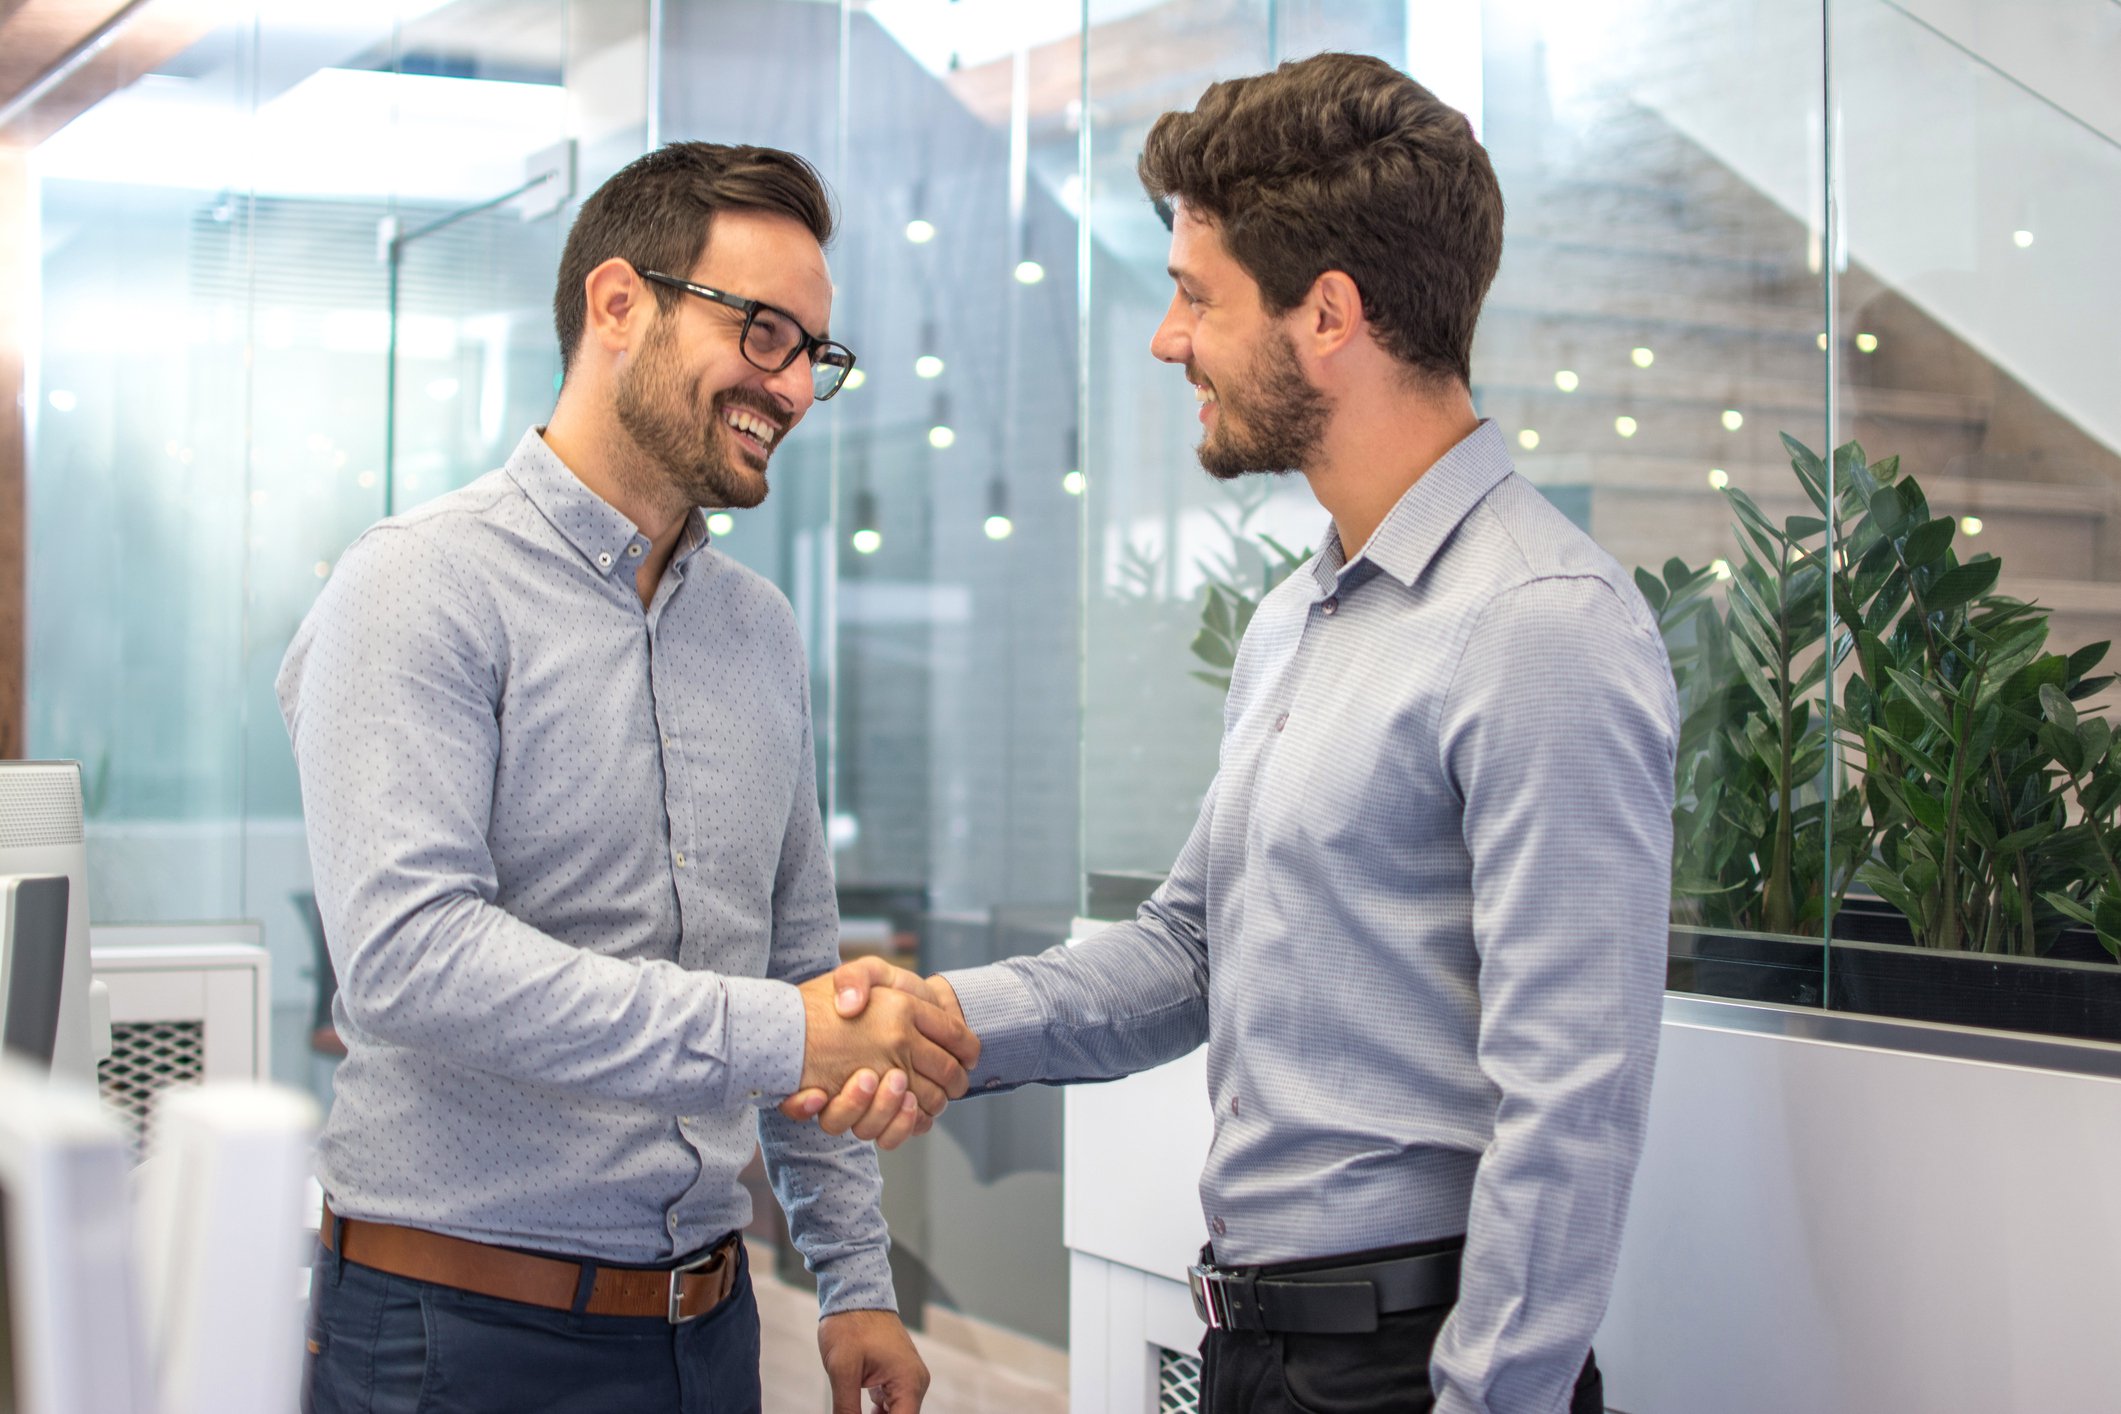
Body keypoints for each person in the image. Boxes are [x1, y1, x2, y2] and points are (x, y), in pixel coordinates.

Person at [788, 53, 1679, 1414]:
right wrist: (947, 1019)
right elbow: (1188, 949)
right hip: (1258, 1350)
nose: (1166, 339)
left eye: (1195, 295)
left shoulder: (1539, 623)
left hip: (1408, 1364)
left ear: (1329, 315)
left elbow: (1572, 1104)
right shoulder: (1299, 617)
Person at [279, 141, 977, 1414]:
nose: (796, 387)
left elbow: (801, 966)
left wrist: (855, 1278)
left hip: (704, 1338)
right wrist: (786, 1031)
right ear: (617, 305)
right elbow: (410, 958)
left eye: (813, 352)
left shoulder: (756, 631)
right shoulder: (418, 586)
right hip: (454, 1337)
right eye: (764, 332)